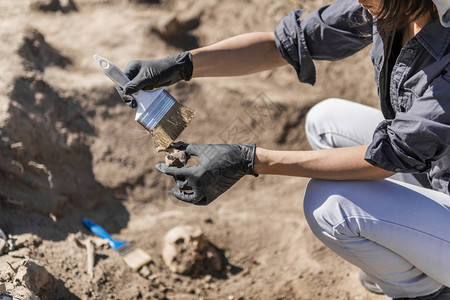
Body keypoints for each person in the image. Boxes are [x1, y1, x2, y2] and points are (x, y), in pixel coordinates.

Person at [116, 0, 450, 299]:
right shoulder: (390, 7)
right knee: (326, 121)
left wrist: (248, 161)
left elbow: (388, 156)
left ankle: (427, 291)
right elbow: (282, 44)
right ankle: (416, 255)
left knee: (330, 206)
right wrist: (183, 65)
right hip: (438, 171)